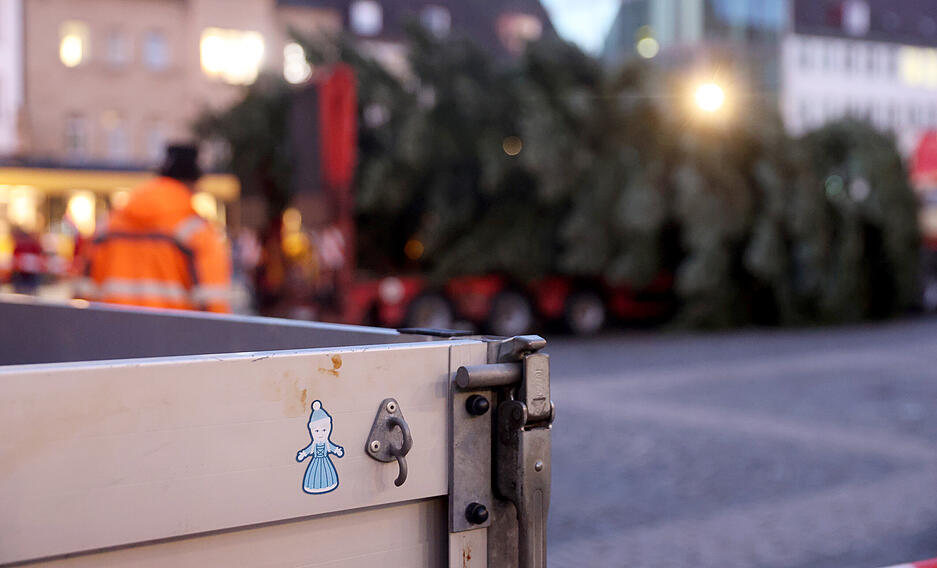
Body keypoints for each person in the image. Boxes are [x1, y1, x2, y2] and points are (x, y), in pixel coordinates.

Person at [77, 144, 231, 312]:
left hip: (112, 335)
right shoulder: (198, 233)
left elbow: (82, 297)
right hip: (173, 335)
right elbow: (214, 308)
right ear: (194, 183)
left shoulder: (107, 228)